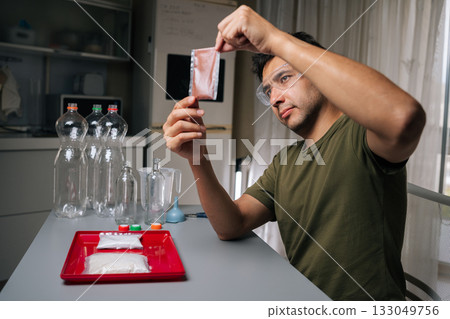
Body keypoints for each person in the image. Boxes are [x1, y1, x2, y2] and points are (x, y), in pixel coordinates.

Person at [163, 5, 425, 300]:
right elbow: (230, 224)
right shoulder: (286, 162)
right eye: (268, 91)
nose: (275, 98)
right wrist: (197, 157)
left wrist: (274, 38)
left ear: (319, 75)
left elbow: (404, 116)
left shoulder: (363, 134)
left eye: (284, 79)